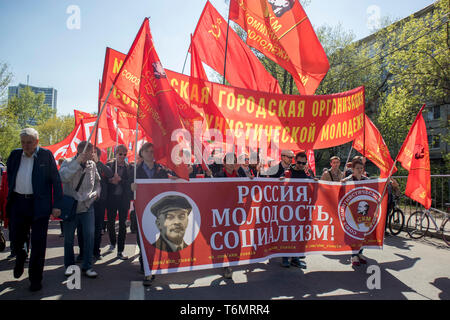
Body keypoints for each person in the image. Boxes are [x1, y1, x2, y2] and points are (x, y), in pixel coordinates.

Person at [6, 128, 63, 291]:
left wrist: (57, 204)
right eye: (23, 142)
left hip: (39, 205)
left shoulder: (46, 155)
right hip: (18, 203)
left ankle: (35, 279)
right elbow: (10, 176)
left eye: (29, 142)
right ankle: (21, 254)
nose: (25, 145)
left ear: (37, 142)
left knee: (38, 244)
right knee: (16, 238)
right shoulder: (15, 155)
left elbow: (56, 180)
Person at [59, 141, 100, 278]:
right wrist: (76, 163)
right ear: (84, 152)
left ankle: (87, 266)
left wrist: (96, 193)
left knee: (89, 236)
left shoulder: (92, 165)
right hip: (72, 207)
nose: (93, 154)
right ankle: (69, 266)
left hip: (88, 207)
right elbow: (63, 177)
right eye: (91, 151)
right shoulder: (67, 162)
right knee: (69, 239)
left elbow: (97, 182)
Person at [132, 142, 171, 286]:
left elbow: (168, 187)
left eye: (152, 151)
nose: (150, 153)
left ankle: (150, 269)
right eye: (147, 151)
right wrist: (131, 188)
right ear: (142, 153)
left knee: (154, 238)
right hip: (141, 210)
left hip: (157, 210)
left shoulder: (161, 170)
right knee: (141, 239)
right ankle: (145, 265)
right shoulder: (135, 170)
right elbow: (125, 188)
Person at [279, 151, 313, 269]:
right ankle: (284, 257)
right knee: (287, 232)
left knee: (298, 233)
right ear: (295, 161)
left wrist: (316, 183)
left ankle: (295, 257)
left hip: (301, 209)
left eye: (303, 163)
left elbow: (311, 189)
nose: (301, 165)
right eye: (299, 162)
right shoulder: (288, 172)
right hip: (288, 209)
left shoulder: (307, 174)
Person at [106, 144, 133, 260]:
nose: (122, 156)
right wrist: (111, 180)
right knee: (110, 223)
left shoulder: (130, 168)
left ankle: (120, 250)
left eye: (124, 154)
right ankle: (112, 242)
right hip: (111, 199)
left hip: (123, 200)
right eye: (120, 154)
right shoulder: (109, 166)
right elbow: (103, 181)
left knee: (122, 225)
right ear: (115, 154)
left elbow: (130, 183)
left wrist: (120, 180)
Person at [341, 157, 369, 266]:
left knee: (362, 232)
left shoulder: (366, 180)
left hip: (363, 210)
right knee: (354, 233)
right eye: (357, 168)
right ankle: (354, 256)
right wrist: (341, 183)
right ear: (353, 169)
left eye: (361, 168)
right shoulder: (348, 180)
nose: (359, 170)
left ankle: (360, 252)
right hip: (351, 210)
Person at [92, 147, 113, 260]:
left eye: (94, 153)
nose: (92, 155)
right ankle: (83, 252)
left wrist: (98, 162)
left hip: (99, 201)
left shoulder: (102, 166)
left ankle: (96, 251)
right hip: (86, 201)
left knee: (97, 227)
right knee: (84, 228)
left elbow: (110, 174)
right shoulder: (84, 165)